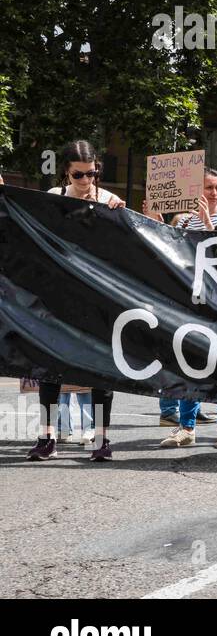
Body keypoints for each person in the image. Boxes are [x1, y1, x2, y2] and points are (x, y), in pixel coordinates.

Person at [28, 141, 124, 461]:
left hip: (97, 297)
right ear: (66, 172)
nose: (86, 181)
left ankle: (101, 440)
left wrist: (122, 220)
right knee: (51, 368)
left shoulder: (110, 200)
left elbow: (125, 249)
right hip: (60, 296)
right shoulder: (54, 198)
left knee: (100, 369)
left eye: (92, 173)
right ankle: (47, 437)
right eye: (79, 175)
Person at [158, 167, 217, 449]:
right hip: (189, 300)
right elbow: (167, 250)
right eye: (208, 188)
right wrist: (155, 217)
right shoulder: (182, 220)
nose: (214, 193)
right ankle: (186, 427)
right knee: (188, 363)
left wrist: (207, 221)